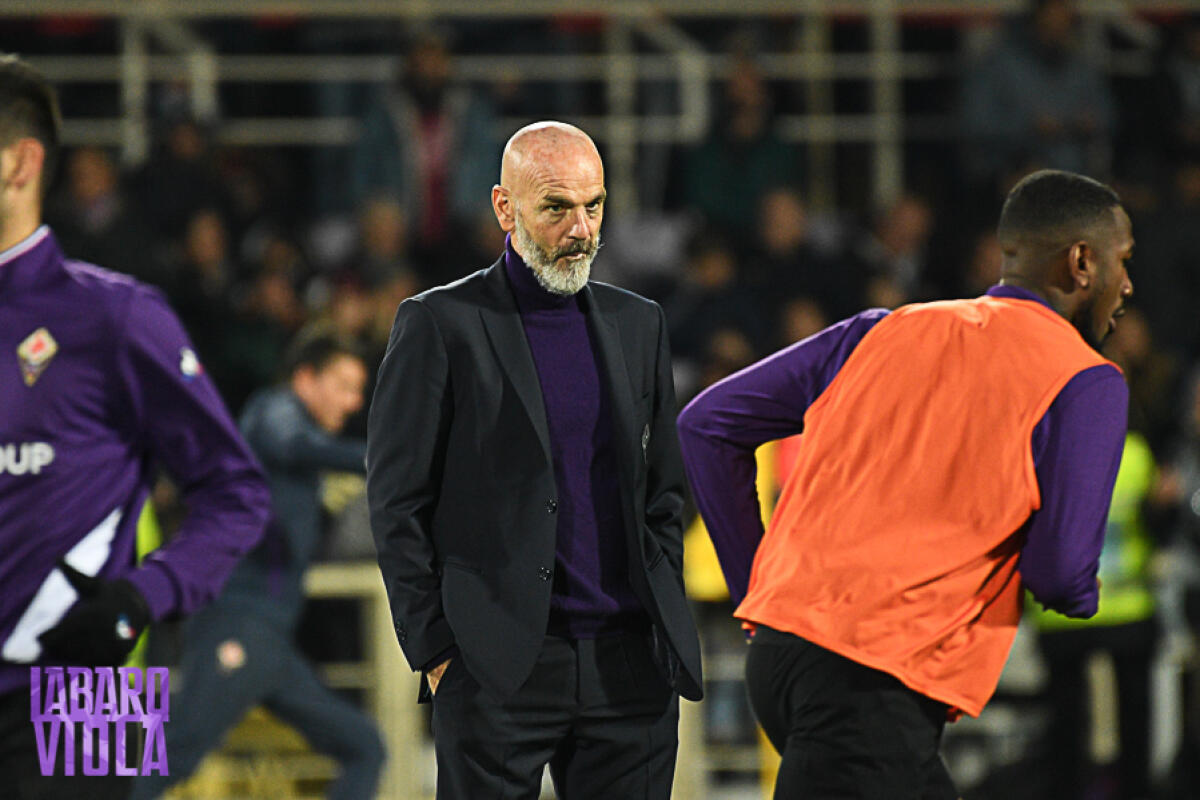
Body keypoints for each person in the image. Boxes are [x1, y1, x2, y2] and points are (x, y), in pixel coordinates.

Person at [677, 168, 1134, 799]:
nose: (1127, 284)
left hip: (787, 663)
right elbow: (1059, 573)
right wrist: (1081, 594)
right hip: (871, 683)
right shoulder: (1086, 378)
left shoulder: (882, 329)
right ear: (1081, 262)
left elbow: (707, 425)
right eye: (1123, 260)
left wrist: (756, 590)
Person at [366, 120, 703, 800]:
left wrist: (658, 602)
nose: (580, 229)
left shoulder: (640, 324)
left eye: (594, 206)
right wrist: (436, 650)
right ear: (504, 207)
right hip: (495, 668)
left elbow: (664, 491)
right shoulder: (439, 323)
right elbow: (397, 500)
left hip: (630, 669)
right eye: (556, 207)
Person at [0, 55, 271, 799]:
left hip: (91, 688)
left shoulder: (116, 314)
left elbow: (238, 491)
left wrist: (146, 597)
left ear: (22, 163)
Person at [131, 331, 384, 800]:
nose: (353, 402)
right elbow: (288, 441)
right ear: (304, 379)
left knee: (365, 747)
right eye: (344, 386)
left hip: (271, 640)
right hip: (237, 625)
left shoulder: (298, 445)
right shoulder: (275, 411)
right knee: (172, 757)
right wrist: (385, 459)